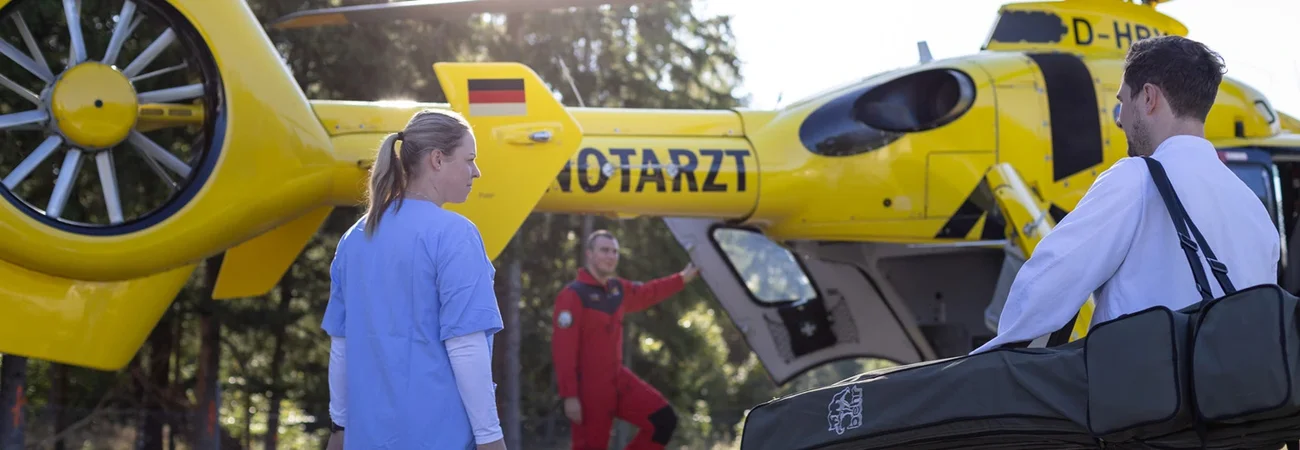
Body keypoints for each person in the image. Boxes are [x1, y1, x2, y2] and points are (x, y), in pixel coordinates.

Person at [971, 35, 1280, 354]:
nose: (1119, 119)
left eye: (1122, 101)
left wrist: (989, 359)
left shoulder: (1137, 178)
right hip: (1230, 398)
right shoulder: (1255, 211)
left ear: (1148, 98)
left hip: (1142, 396)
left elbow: (1050, 278)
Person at [322, 109, 507, 449]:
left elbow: (342, 345)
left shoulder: (355, 237)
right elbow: (466, 345)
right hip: (438, 437)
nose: (476, 171)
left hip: (366, 438)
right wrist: (490, 437)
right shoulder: (455, 235)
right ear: (438, 159)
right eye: (469, 159)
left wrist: (339, 428)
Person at [551, 230, 699, 449]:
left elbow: (649, 292)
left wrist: (681, 279)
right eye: (604, 250)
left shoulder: (617, 290)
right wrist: (570, 395)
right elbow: (563, 350)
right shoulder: (573, 295)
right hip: (589, 390)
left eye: (615, 252)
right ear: (589, 254)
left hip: (618, 380)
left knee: (663, 420)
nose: (611, 256)